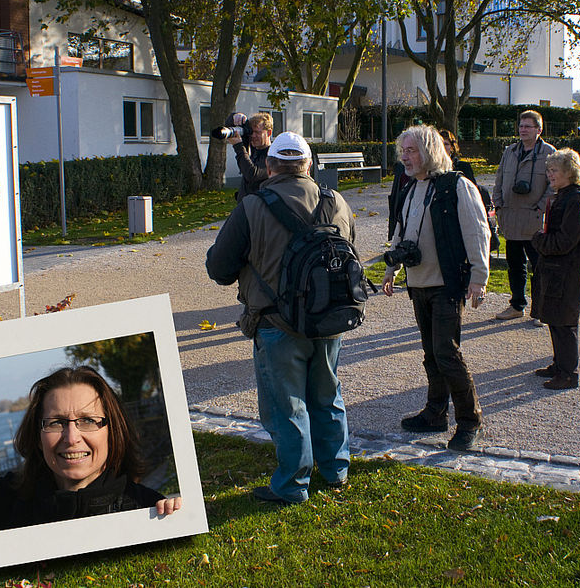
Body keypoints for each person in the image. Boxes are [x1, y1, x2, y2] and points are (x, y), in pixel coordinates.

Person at [206, 131, 353, 504]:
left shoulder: (253, 206)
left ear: (269, 166)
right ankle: (336, 469)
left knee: (286, 405)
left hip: (276, 322)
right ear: (309, 164)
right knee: (327, 394)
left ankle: (291, 485)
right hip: (330, 318)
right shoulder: (337, 202)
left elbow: (220, 269)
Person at [0, 366, 182, 538]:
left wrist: (181, 521)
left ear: (112, 431)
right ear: (37, 435)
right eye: (56, 423)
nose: (71, 437)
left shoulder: (149, 510)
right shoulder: (2, 502)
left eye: (87, 420)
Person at [382, 125, 490, 451]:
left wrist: (478, 278)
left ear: (428, 151)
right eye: (403, 150)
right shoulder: (411, 187)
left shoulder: (457, 185)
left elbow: (477, 232)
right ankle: (435, 412)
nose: (404, 156)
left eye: (411, 150)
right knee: (431, 354)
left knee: (446, 352)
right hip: (418, 283)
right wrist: (391, 269)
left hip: (447, 283)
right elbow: (401, 234)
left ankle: (470, 422)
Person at [530, 149, 580, 390]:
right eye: (549, 170)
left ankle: (569, 373)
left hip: (568, 270)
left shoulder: (575, 201)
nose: (550, 175)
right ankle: (560, 364)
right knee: (555, 318)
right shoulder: (563, 197)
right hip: (557, 269)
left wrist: (538, 241)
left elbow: (565, 241)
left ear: (570, 172)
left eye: (555, 170)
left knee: (566, 322)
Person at [492, 110, 556, 323]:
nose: (523, 129)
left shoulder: (549, 152)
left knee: (539, 268)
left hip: (534, 221)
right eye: (521, 125)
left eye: (528, 126)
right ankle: (517, 304)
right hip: (510, 218)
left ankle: (541, 310)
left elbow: (553, 185)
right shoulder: (510, 151)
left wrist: (541, 208)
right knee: (515, 266)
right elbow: (499, 177)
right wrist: (498, 203)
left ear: (539, 130)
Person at [225, 112, 273, 201]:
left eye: (257, 132)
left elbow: (252, 174)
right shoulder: (255, 149)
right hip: (245, 206)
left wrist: (238, 146)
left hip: (259, 209)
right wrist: (234, 117)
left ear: (269, 132)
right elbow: (227, 128)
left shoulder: (273, 156)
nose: (253, 136)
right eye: (251, 132)